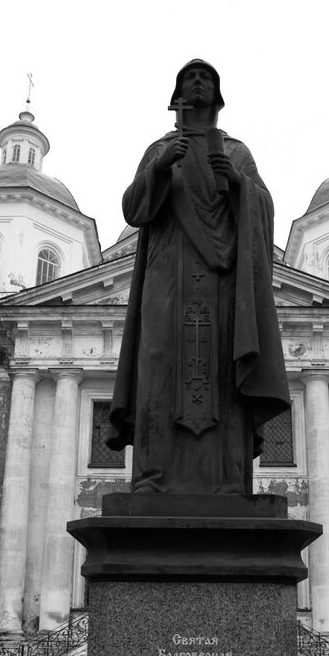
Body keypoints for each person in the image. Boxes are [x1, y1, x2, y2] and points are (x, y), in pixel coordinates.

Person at [108, 59, 290, 494]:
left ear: (218, 95)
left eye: (205, 77)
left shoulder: (235, 151)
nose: (197, 83)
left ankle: (228, 480)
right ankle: (152, 478)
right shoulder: (160, 149)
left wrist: (241, 187)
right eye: (189, 77)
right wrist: (158, 168)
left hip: (223, 280)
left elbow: (263, 206)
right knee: (157, 363)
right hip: (166, 275)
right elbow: (134, 210)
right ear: (175, 95)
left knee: (225, 369)